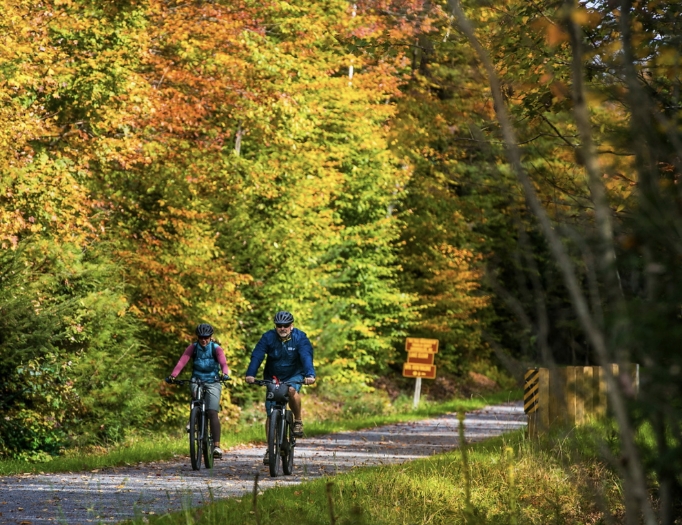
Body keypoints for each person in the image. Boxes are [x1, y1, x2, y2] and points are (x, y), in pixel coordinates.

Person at [245, 311, 315, 464]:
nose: (282, 328)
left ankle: (298, 420)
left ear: (292, 326)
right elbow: (257, 355)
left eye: (286, 326)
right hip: (273, 376)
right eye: (279, 326)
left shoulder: (300, 338)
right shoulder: (268, 337)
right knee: (271, 413)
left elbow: (306, 355)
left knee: (291, 390)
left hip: (294, 375)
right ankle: (270, 449)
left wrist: (310, 374)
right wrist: (251, 374)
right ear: (275, 326)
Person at [166, 323, 230, 459]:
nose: (203, 340)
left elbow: (223, 362)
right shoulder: (193, 348)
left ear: (211, 337)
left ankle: (216, 446)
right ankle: (194, 419)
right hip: (197, 379)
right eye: (201, 337)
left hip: (213, 381)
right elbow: (182, 362)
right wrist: (173, 376)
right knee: (196, 399)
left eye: (206, 337)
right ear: (198, 337)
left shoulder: (216, 348)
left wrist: (225, 374)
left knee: (212, 412)